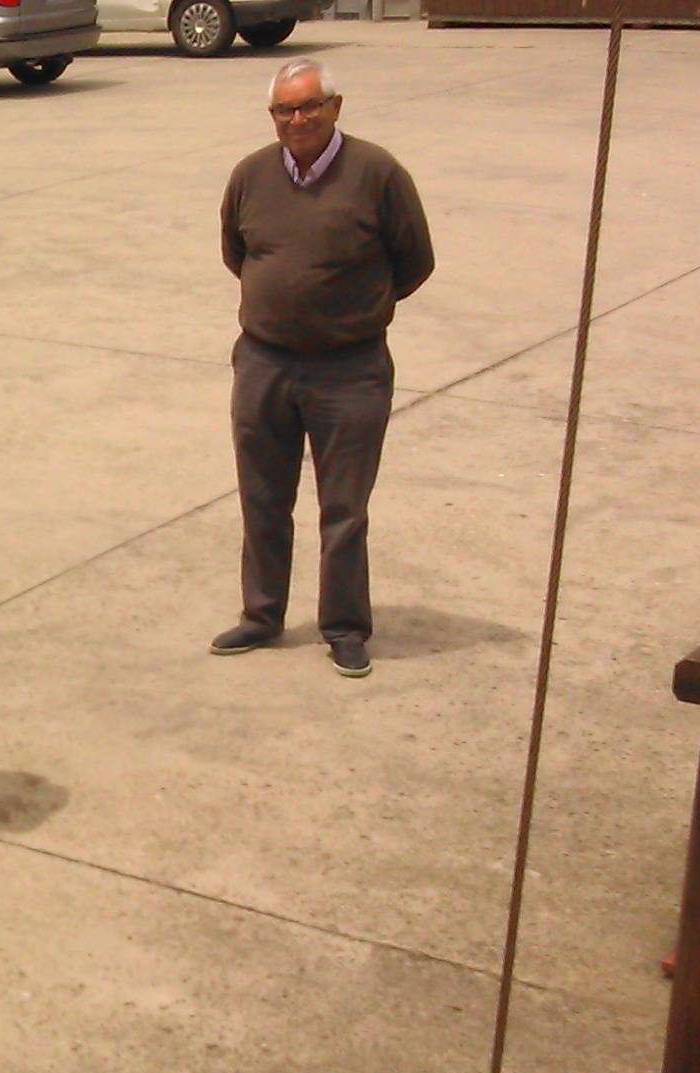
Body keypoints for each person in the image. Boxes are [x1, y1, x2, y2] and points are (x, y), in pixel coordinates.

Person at [212, 58, 434, 679]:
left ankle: (344, 626)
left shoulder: (378, 173)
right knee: (262, 497)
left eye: (311, 105)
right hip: (264, 363)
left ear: (335, 107)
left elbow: (415, 259)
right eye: (286, 109)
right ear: (272, 116)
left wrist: (353, 310)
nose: (299, 119)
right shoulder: (250, 175)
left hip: (350, 369)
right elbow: (237, 251)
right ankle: (262, 615)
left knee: (344, 510)